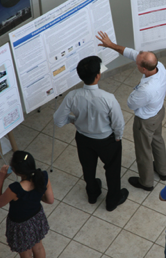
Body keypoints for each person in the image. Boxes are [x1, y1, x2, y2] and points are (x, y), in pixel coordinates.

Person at [96, 31, 166, 191]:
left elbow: (130, 103)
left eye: (137, 63)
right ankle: (163, 171)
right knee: (157, 140)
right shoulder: (159, 66)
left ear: (143, 69)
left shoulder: (146, 90)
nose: (135, 61)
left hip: (146, 121)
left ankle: (147, 182)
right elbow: (132, 53)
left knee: (143, 151)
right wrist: (111, 45)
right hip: (158, 112)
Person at [54, 56, 128, 211]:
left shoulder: (72, 96)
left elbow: (58, 120)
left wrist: (73, 120)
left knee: (88, 167)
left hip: (83, 139)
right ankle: (112, 200)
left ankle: (93, 194)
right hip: (106, 140)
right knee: (112, 170)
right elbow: (118, 123)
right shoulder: (108, 99)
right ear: (98, 75)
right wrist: (117, 137)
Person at [0, 151, 54, 258]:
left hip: (20, 225)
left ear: (16, 171)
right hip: (37, 218)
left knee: (25, 252)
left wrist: (1, 180)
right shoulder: (43, 176)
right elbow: (50, 200)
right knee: (38, 247)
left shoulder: (15, 189)